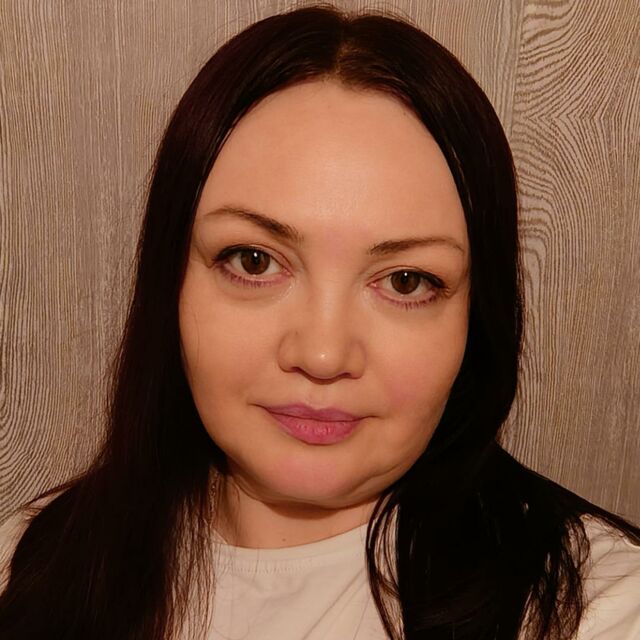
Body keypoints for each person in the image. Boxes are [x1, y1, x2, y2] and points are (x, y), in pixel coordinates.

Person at [0, 4, 638, 639]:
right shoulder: (28, 564)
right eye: (254, 261)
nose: (324, 354)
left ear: (478, 315)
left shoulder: (595, 609)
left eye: (406, 281)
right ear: (171, 282)